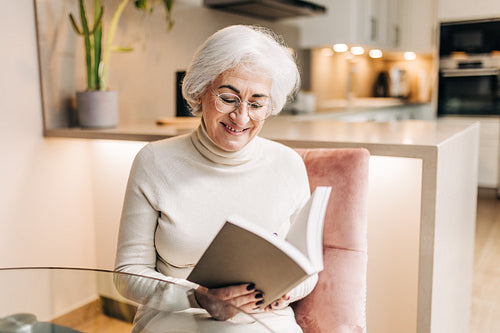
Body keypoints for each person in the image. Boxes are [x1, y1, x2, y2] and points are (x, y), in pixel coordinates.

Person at [114, 24, 318, 332]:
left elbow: (308, 267)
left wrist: (288, 289)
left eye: (256, 103)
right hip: (176, 315)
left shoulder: (287, 164)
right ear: (200, 90)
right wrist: (196, 296)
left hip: (264, 318)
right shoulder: (155, 161)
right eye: (228, 97)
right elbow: (128, 274)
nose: (241, 117)